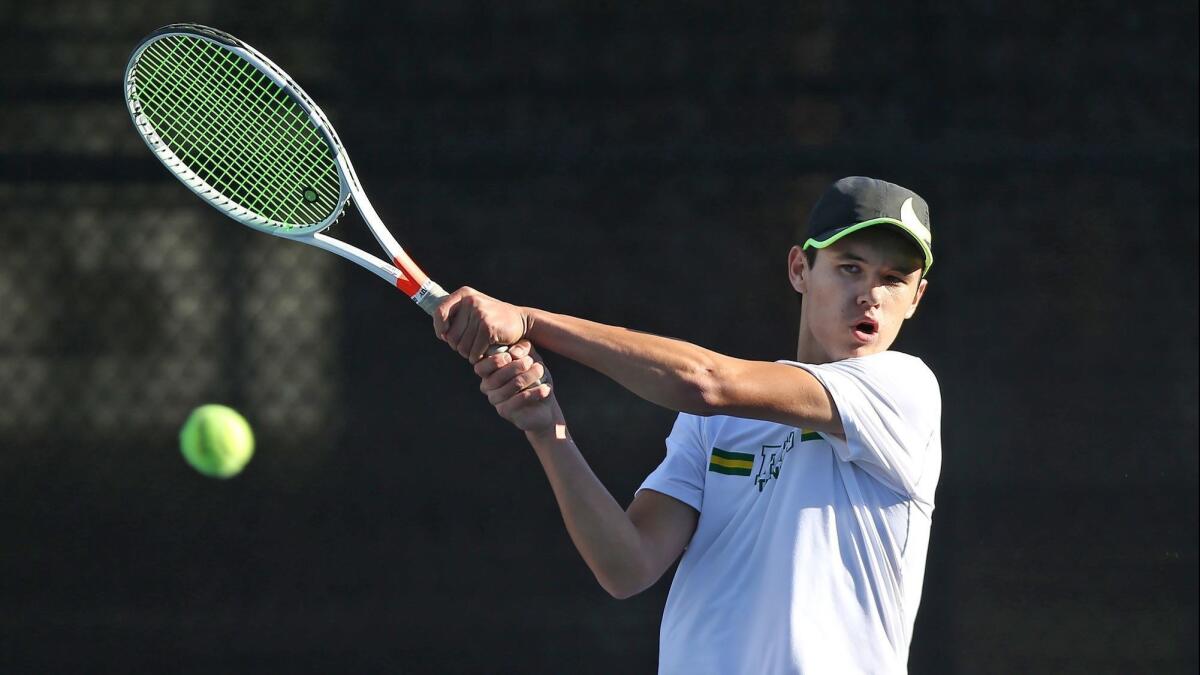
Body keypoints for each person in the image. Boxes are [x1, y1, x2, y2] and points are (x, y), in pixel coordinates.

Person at [433, 176, 941, 674]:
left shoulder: (904, 389)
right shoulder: (714, 427)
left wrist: (529, 320)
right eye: (849, 268)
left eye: (894, 280)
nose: (871, 294)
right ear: (799, 269)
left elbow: (707, 382)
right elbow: (626, 566)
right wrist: (547, 429)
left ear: (915, 298)